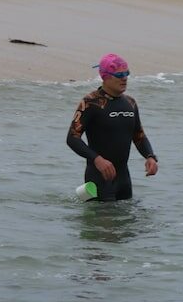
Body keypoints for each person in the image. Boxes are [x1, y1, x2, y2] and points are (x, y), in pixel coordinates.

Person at [67, 53, 158, 201]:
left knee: (127, 223)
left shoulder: (130, 103)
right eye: (119, 74)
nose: (124, 78)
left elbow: (139, 135)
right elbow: (72, 138)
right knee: (101, 223)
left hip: (124, 181)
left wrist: (150, 156)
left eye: (126, 73)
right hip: (98, 178)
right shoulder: (90, 102)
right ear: (105, 76)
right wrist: (97, 159)